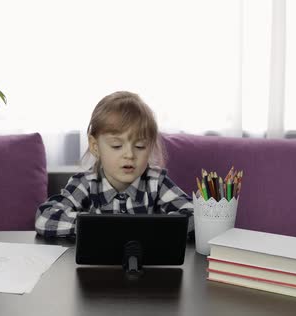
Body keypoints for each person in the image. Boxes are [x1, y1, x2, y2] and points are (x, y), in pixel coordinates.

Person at [35, 91, 194, 237]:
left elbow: (193, 215)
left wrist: (154, 228)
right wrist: (94, 226)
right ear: (95, 146)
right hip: (95, 267)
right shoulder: (85, 183)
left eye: (140, 146)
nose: (130, 155)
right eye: (117, 146)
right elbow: (45, 217)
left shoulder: (156, 182)